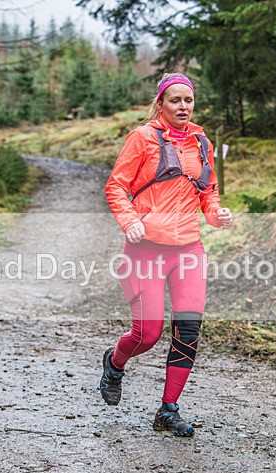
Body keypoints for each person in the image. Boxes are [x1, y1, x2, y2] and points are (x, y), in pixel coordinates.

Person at [101, 73, 233, 437]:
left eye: (188, 101)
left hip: (188, 249)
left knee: (188, 330)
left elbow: (208, 192)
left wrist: (216, 214)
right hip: (146, 250)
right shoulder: (142, 139)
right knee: (147, 333)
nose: (183, 107)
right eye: (175, 100)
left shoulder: (201, 143)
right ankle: (114, 364)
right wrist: (129, 220)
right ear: (160, 104)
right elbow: (116, 186)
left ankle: (168, 410)